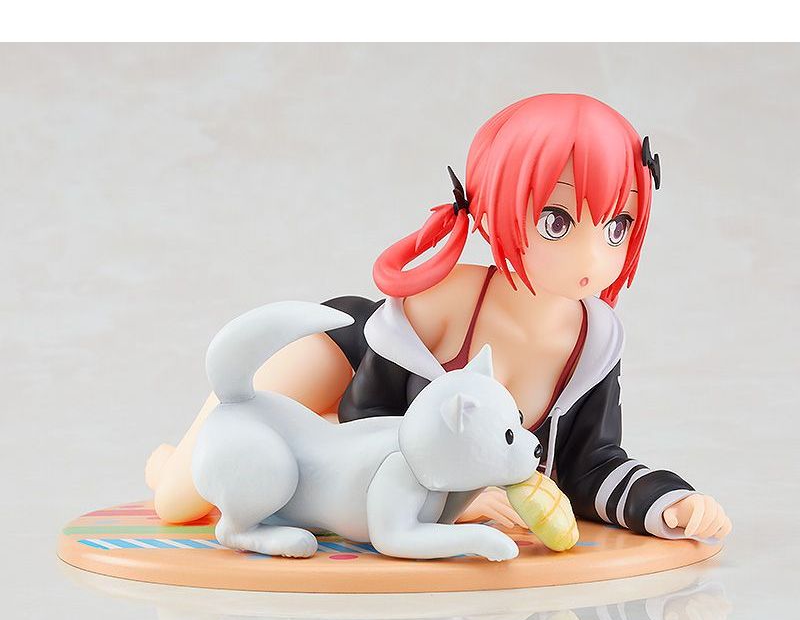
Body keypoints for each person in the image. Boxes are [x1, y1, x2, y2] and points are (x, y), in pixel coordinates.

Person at [146, 93, 731, 542]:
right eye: (556, 222)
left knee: (281, 482)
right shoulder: (445, 300)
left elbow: (591, 465)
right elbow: (366, 413)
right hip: (343, 356)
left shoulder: (594, 341)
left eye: (617, 225)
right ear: (493, 211)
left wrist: (666, 503)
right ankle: (168, 462)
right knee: (179, 501)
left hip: (372, 444)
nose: (592, 257)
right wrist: (452, 494)